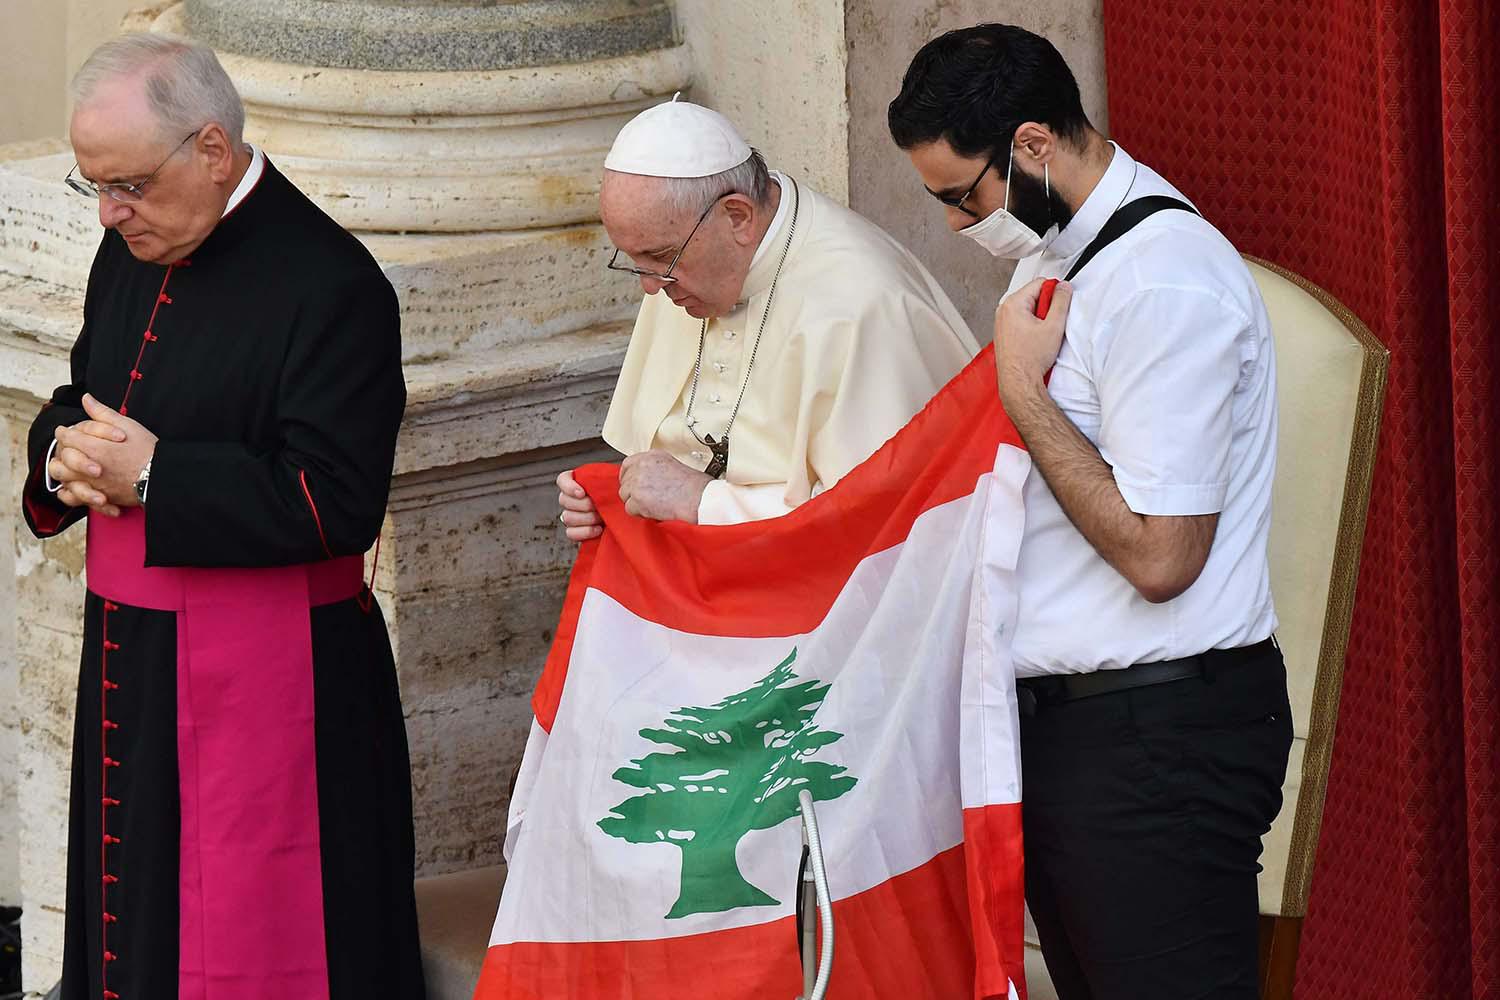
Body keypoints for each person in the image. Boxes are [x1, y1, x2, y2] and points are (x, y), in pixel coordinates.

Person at [888, 23, 1291, 1000]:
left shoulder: (1163, 280)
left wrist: (1025, 397)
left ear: (1031, 145)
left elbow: (1163, 554)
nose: (953, 224)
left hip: (1158, 737)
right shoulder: (1057, 257)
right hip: (1079, 739)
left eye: (962, 195)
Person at [20, 34, 424, 1000]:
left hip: (274, 685)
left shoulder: (332, 283)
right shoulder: (132, 248)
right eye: (97, 189)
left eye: (129, 186)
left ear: (211, 149)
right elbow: (85, 390)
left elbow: (337, 501)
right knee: (133, 925)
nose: (113, 214)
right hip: (132, 662)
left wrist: (159, 479)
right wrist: (60, 455)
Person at [556, 98, 978, 537]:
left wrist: (706, 503)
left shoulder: (865, 305)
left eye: (660, 257)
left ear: (737, 216)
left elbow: (887, 524)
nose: (650, 287)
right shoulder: (680, 269)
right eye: (635, 260)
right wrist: (616, 501)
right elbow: (665, 458)